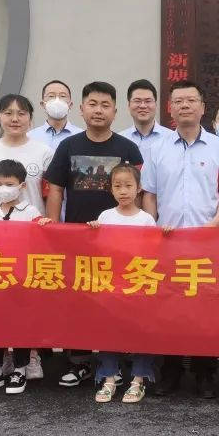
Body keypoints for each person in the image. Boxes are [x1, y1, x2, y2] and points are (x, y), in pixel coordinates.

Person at [141, 81, 219, 399]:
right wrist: (154, 226)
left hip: (208, 241)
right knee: (168, 307)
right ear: (170, 108)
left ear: (202, 107)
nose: (185, 105)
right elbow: (149, 194)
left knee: (206, 308)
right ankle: (170, 371)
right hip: (168, 241)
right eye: (179, 101)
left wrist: (215, 223)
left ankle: (204, 373)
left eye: (191, 100)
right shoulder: (156, 148)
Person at [43, 81, 143, 387]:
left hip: (119, 241)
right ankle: (80, 361)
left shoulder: (128, 148)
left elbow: (138, 193)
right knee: (80, 301)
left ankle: (119, 360)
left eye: (105, 105)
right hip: (78, 239)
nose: (98, 110)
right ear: (82, 108)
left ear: (115, 111)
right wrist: (54, 229)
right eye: (93, 104)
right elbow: (56, 190)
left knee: (119, 300)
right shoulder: (68, 146)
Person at [0, 159, 52, 395]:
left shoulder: (31, 211)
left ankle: (20, 369)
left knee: (21, 323)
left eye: (9, 184)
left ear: (22, 186)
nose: (3, 189)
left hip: (21, 280)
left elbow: (41, 235)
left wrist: (44, 224)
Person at [89, 164, 158, 404]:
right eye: (117, 186)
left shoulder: (146, 219)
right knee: (108, 330)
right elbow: (97, 250)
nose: (123, 191)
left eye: (128, 185)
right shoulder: (105, 216)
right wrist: (93, 232)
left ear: (139, 188)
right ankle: (109, 378)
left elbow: (154, 252)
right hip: (111, 284)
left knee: (141, 331)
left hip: (138, 284)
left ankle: (139, 379)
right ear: (111, 189)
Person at [0, 95, 54, 217]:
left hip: (33, 226)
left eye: (21, 114)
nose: (15, 119)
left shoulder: (45, 153)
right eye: (8, 113)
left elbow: (51, 196)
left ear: (30, 118)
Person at [118, 79, 173, 163]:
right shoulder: (120, 140)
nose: (143, 106)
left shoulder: (171, 138)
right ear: (129, 105)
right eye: (137, 101)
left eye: (148, 101)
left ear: (156, 105)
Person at [28, 80, 82, 150]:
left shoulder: (81, 136)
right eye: (51, 96)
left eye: (62, 96)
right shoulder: (30, 137)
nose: (57, 100)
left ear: (70, 105)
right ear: (43, 104)